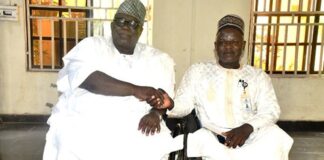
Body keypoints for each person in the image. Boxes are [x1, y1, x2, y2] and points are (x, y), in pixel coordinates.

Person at [43, 0, 183, 159]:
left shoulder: (158, 59)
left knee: (151, 144)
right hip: (86, 118)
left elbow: (162, 98)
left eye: (132, 23)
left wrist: (155, 114)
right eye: (121, 21)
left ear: (140, 30)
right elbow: (89, 80)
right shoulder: (92, 46)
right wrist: (136, 90)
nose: (125, 26)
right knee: (75, 140)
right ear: (112, 25)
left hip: (137, 123)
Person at [161, 14, 294, 160]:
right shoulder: (198, 71)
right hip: (212, 136)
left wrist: (247, 128)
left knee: (275, 135)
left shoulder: (258, 76)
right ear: (215, 46)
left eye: (234, 42)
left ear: (243, 45)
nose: (228, 47)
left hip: (250, 135)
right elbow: (184, 103)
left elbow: (271, 110)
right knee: (199, 142)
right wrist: (171, 104)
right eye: (223, 42)